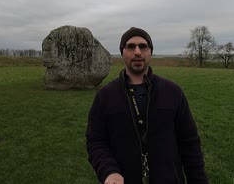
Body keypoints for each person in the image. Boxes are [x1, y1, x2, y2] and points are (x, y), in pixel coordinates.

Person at [86, 27, 208, 184]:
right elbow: (96, 140)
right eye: (130, 46)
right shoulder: (105, 96)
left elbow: (190, 143)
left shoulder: (173, 92)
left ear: (150, 52)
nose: (137, 52)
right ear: (122, 52)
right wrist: (109, 171)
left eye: (143, 46)